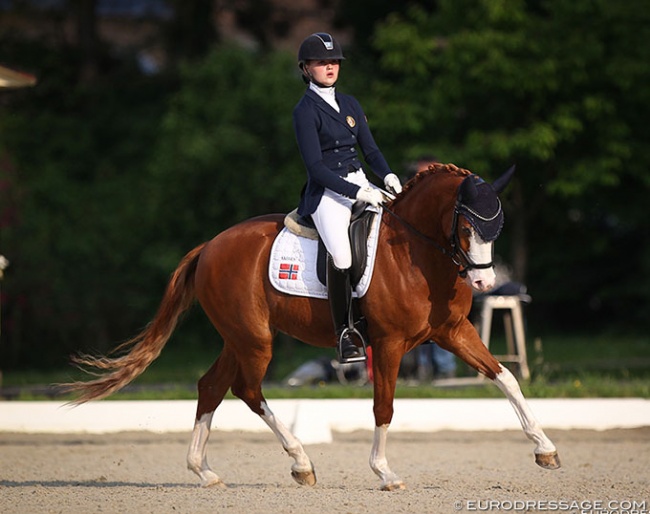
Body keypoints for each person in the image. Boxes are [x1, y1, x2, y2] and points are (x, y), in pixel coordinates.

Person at [293, 32, 402, 363]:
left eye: (334, 62)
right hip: (328, 192)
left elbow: (370, 149)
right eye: (321, 62)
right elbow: (315, 168)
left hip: (362, 181)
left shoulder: (351, 103)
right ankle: (345, 333)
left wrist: (388, 176)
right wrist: (358, 192)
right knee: (341, 256)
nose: (329, 67)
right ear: (305, 68)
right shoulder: (304, 111)